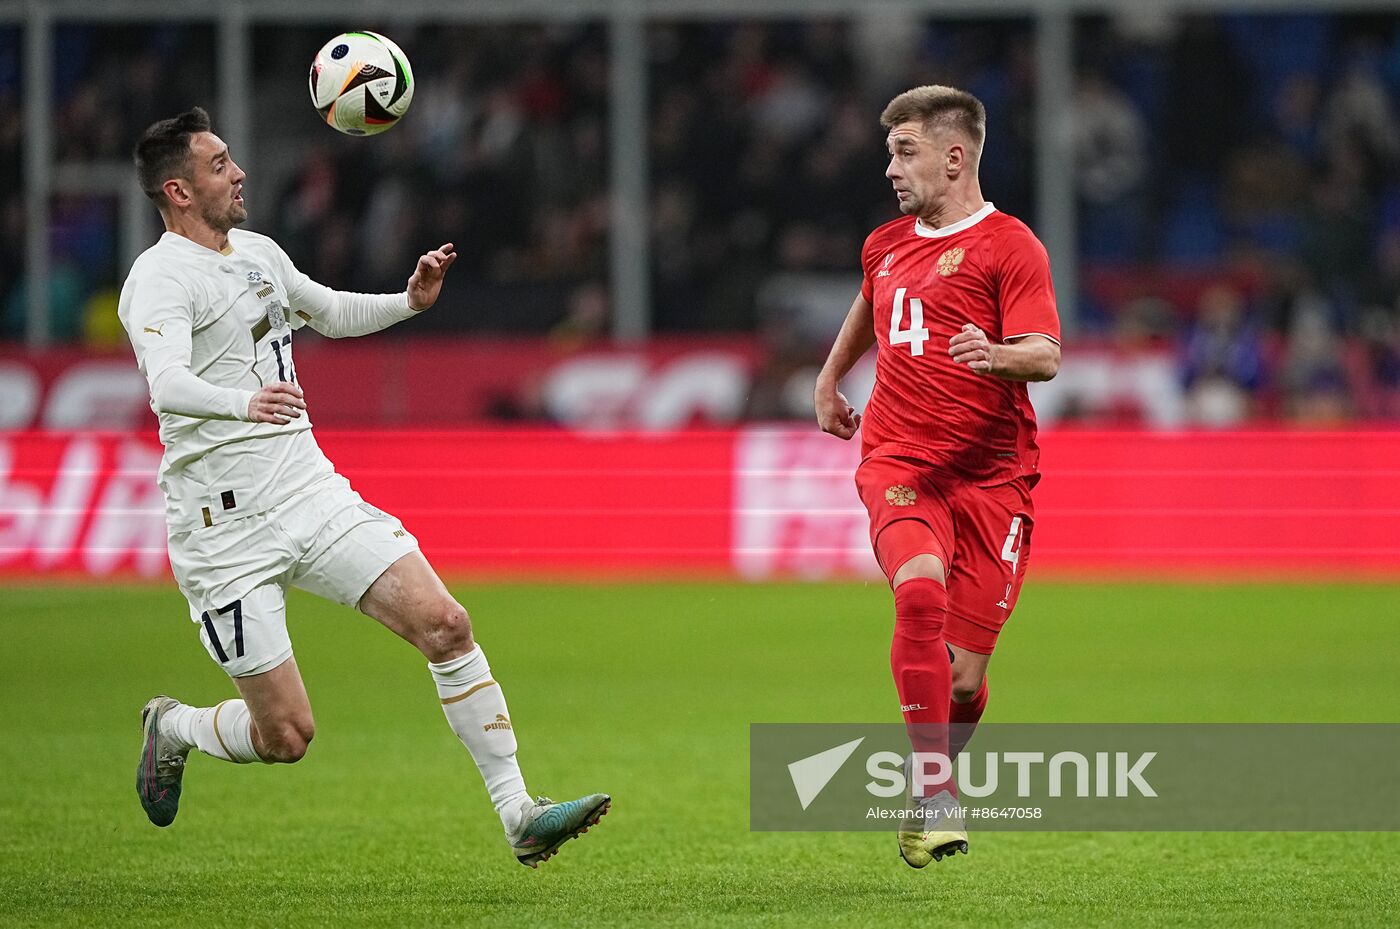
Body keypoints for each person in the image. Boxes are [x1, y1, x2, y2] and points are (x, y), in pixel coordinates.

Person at [121, 107, 609, 868]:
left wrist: (409, 301)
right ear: (178, 191)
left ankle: (519, 810)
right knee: (286, 735)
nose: (239, 171)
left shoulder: (256, 253)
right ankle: (174, 726)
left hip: (310, 492)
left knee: (446, 623)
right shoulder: (156, 280)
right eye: (219, 165)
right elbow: (168, 380)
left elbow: (325, 309)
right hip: (225, 530)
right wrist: (241, 401)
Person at [813, 86, 1060, 868]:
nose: (890, 167)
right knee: (919, 589)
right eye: (891, 151)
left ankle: (936, 776)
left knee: (961, 680)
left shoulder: (1010, 246)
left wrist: (998, 353)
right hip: (899, 460)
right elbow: (869, 305)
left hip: (993, 480)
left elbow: (1046, 354)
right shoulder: (884, 243)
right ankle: (934, 789)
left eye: (905, 151)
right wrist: (828, 381)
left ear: (955, 157)